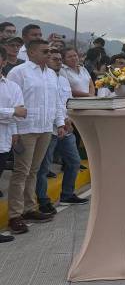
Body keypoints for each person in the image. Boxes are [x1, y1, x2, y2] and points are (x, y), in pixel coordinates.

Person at [6, 39, 66, 235]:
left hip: (45, 128)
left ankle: (29, 208)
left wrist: (60, 123)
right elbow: (13, 101)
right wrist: (14, 130)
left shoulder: (50, 74)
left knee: (34, 170)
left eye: (50, 51)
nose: (49, 54)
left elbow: (56, 101)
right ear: (31, 53)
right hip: (26, 129)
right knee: (21, 172)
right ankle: (15, 215)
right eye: (45, 51)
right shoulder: (19, 72)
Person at [35, 49, 88, 214]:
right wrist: (59, 122)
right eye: (54, 59)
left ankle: (67, 194)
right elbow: (47, 103)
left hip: (66, 127)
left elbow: (67, 102)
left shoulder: (64, 80)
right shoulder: (43, 79)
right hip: (49, 129)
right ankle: (42, 200)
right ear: (46, 60)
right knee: (44, 167)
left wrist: (69, 119)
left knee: (73, 162)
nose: (57, 61)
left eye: (59, 59)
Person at [0, 45, 26, 240]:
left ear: (3, 61)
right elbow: (15, 111)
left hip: (3, 142)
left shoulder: (11, 85)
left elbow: (21, 111)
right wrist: (10, 112)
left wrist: (14, 128)